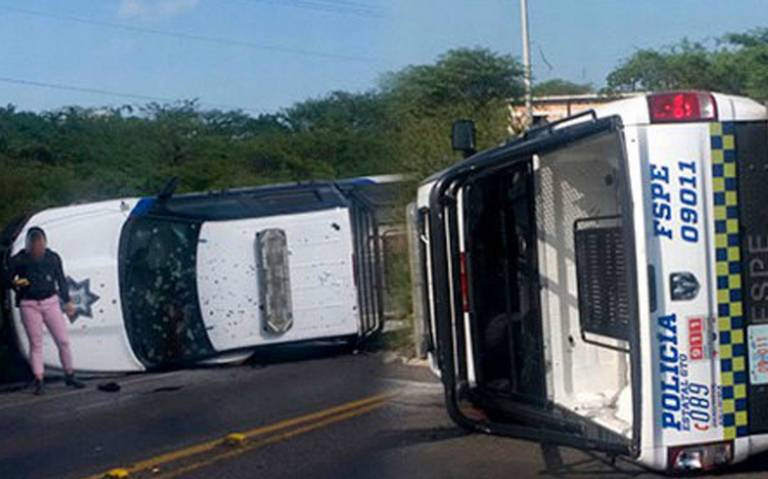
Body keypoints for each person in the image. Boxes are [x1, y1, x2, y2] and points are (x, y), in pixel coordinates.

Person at [5, 227, 85, 394]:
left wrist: (68, 300)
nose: (36, 246)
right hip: (29, 304)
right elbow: (5, 279)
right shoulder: (20, 259)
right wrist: (17, 285)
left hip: (51, 301)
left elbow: (61, 280)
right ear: (28, 244)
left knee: (63, 340)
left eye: (39, 242)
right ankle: (39, 379)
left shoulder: (52, 258)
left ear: (44, 242)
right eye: (33, 243)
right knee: (36, 343)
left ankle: (70, 374)